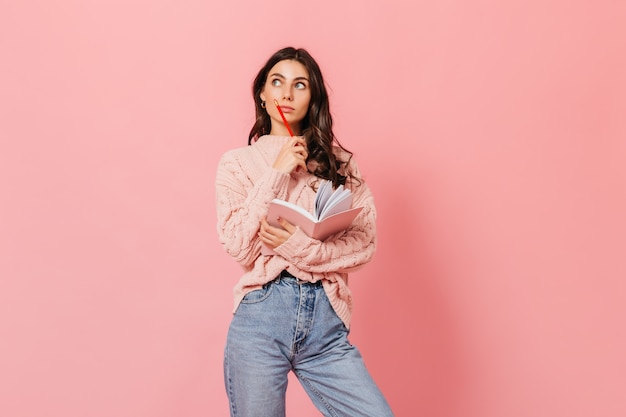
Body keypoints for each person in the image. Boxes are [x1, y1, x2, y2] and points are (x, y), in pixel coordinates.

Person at [215, 46, 394, 417]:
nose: (286, 93)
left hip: (325, 324)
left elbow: (364, 243)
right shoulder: (237, 163)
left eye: (300, 84)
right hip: (261, 320)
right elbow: (238, 246)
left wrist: (301, 247)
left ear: (312, 97)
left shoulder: (340, 164)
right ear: (262, 94)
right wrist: (277, 172)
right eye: (277, 82)